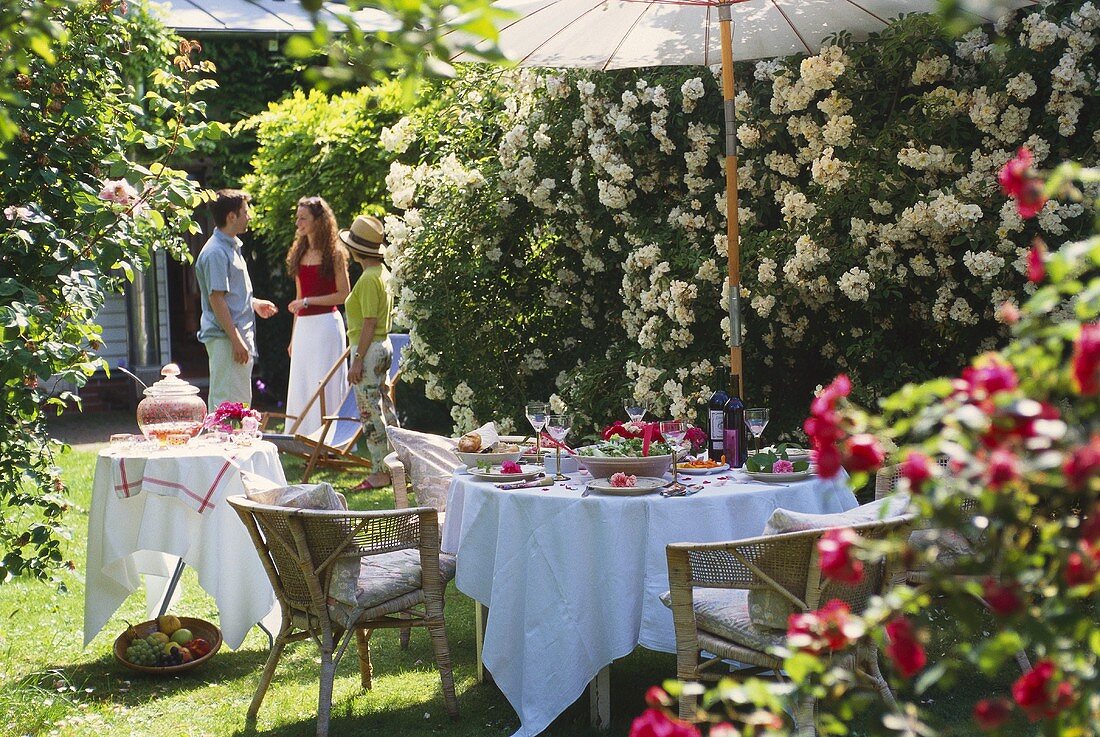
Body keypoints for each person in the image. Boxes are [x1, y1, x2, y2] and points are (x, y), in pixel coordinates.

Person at [194, 189, 278, 410]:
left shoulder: (230, 247)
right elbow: (216, 299)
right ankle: (226, 445)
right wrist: (236, 340)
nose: (249, 216)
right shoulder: (215, 252)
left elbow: (228, 296)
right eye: (245, 211)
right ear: (232, 216)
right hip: (227, 339)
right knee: (228, 405)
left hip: (234, 337)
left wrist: (253, 303)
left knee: (238, 401)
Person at [284, 196, 351, 435]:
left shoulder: (335, 254)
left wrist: (308, 302)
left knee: (325, 381)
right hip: (304, 327)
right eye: (297, 218)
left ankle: (329, 438)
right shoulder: (299, 253)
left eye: (304, 218)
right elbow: (298, 299)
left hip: (326, 326)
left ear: (319, 221)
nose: (298, 223)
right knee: (303, 381)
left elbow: (344, 295)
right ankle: (301, 437)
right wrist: (293, 337)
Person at [341, 215, 398, 490]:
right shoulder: (383, 274)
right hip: (383, 346)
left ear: (356, 250)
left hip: (369, 348)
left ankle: (380, 472)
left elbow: (368, 322)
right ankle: (398, 465)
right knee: (385, 407)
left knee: (370, 413)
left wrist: (358, 360)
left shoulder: (366, 279)